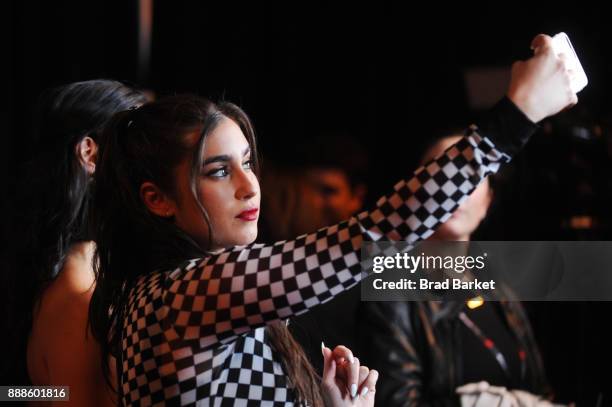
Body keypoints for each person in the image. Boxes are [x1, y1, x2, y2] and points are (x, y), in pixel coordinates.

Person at [88, 34, 576, 405]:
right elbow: (376, 235)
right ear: (157, 200)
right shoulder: (192, 289)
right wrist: (516, 116)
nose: (248, 184)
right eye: (218, 171)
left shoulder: (160, 291)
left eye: (248, 161)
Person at [360, 133, 554, 406]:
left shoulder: (501, 293)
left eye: (471, 174)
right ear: (414, 190)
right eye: (441, 173)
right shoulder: (392, 291)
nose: (454, 188)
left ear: (489, 200)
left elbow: (540, 389)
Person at [1, 80, 146, 406]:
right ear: (89, 153)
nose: (152, 166)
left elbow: (26, 391)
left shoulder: (71, 270)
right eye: (139, 146)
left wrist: (37, 397)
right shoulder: (79, 293)